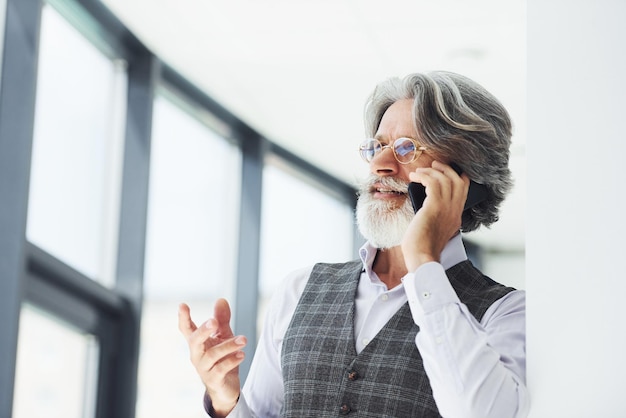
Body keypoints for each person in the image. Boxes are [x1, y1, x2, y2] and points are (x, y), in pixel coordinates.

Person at [178, 71, 529, 417]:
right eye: (377, 147)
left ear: (465, 179)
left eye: (407, 148)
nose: (379, 165)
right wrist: (226, 400)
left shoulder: (505, 312)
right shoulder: (298, 290)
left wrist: (424, 261)